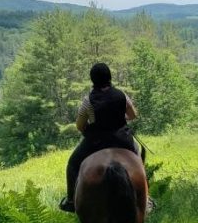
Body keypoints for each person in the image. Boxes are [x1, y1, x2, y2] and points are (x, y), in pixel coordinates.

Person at [59, 62, 141, 212]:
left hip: (96, 142)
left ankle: (71, 200)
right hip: (122, 139)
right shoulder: (122, 95)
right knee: (138, 156)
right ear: (109, 77)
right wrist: (118, 117)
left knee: (72, 163)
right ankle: (145, 198)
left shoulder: (88, 100)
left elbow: (79, 125)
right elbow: (133, 115)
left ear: (93, 80)